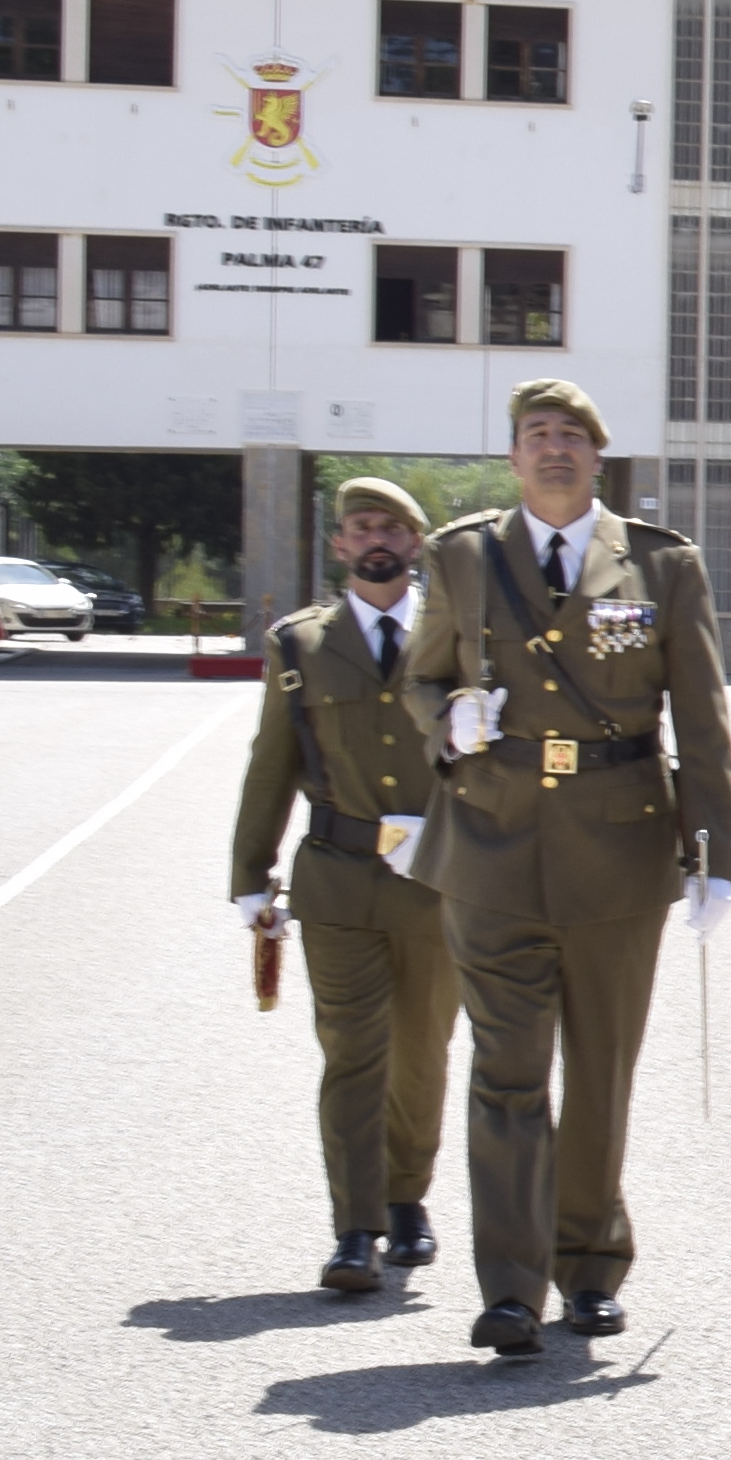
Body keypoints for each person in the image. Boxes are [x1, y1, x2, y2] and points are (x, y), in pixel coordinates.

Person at [402, 378, 731, 1359]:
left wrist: (714, 851)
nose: (554, 450)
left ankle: (590, 1262)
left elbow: (702, 715)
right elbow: (424, 675)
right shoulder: (461, 555)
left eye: (572, 437)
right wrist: (446, 719)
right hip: (493, 839)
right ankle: (510, 1288)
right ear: (513, 457)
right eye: (536, 435)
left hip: (617, 843)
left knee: (600, 1071)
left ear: (599, 456)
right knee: (506, 1072)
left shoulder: (660, 565)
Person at [229, 474, 458, 1295]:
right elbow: (273, 761)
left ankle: (407, 1199)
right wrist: (250, 875)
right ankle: (354, 1229)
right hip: (336, 875)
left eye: (391, 527)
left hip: (437, 880)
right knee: (352, 1052)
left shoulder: (459, 634)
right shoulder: (301, 644)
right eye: (360, 527)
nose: (375, 540)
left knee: (423, 1053)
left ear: (416, 544)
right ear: (339, 546)